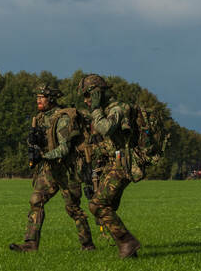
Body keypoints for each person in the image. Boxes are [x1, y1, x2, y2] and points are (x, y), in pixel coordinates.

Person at [8, 83, 95, 253]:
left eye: (42, 98)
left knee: (72, 208)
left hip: (68, 171)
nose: (38, 101)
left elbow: (64, 149)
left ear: (52, 99)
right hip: (50, 169)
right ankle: (30, 244)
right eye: (37, 98)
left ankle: (88, 245)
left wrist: (44, 156)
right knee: (36, 200)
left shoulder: (63, 119)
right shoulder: (40, 118)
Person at [79, 74, 141, 258]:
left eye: (88, 95)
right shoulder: (107, 110)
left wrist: (95, 109)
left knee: (98, 205)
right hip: (114, 163)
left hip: (123, 164)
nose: (86, 100)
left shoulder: (119, 108)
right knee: (105, 206)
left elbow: (105, 128)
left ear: (97, 92)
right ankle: (128, 250)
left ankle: (127, 242)